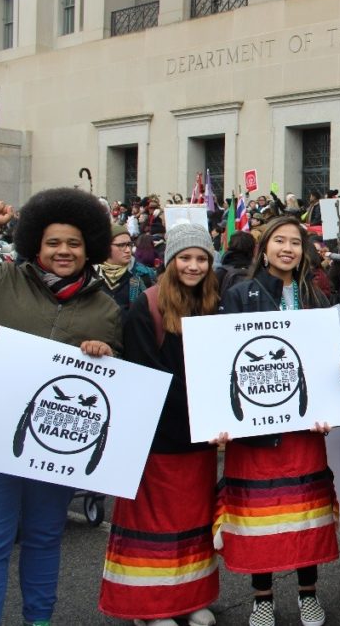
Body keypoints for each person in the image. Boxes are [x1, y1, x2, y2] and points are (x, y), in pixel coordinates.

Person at [0, 190, 122, 626]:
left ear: (88, 246)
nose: (63, 251)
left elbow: (117, 381)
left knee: (44, 538)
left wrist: (106, 353)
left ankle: (39, 621)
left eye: (73, 243)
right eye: (53, 242)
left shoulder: (105, 308)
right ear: (35, 243)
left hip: (54, 443)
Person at [216, 216, 337, 626]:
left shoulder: (316, 296)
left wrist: (329, 407)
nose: (287, 248)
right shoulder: (238, 294)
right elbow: (224, 359)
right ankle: (261, 599)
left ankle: (309, 595)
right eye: (279, 241)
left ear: (304, 251)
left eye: (295, 242)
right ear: (263, 248)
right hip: (256, 432)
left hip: (304, 430)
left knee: (305, 515)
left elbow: (326, 361)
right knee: (258, 518)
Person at [99, 223, 220, 626]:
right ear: (170, 262)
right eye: (185, 257)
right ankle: (149, 608)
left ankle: (189, 598)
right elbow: (145, 375)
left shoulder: (212, 303)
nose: (194, 265)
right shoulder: (145, 306)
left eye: (201, 258)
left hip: (199, 435)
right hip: (157, 436)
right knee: (153, 522)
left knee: (194, 521)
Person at [99, 223, 156, 323]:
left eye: (129, 244)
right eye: (121, 245)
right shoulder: (92, 276)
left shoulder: (144, 274)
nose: (128, 250)